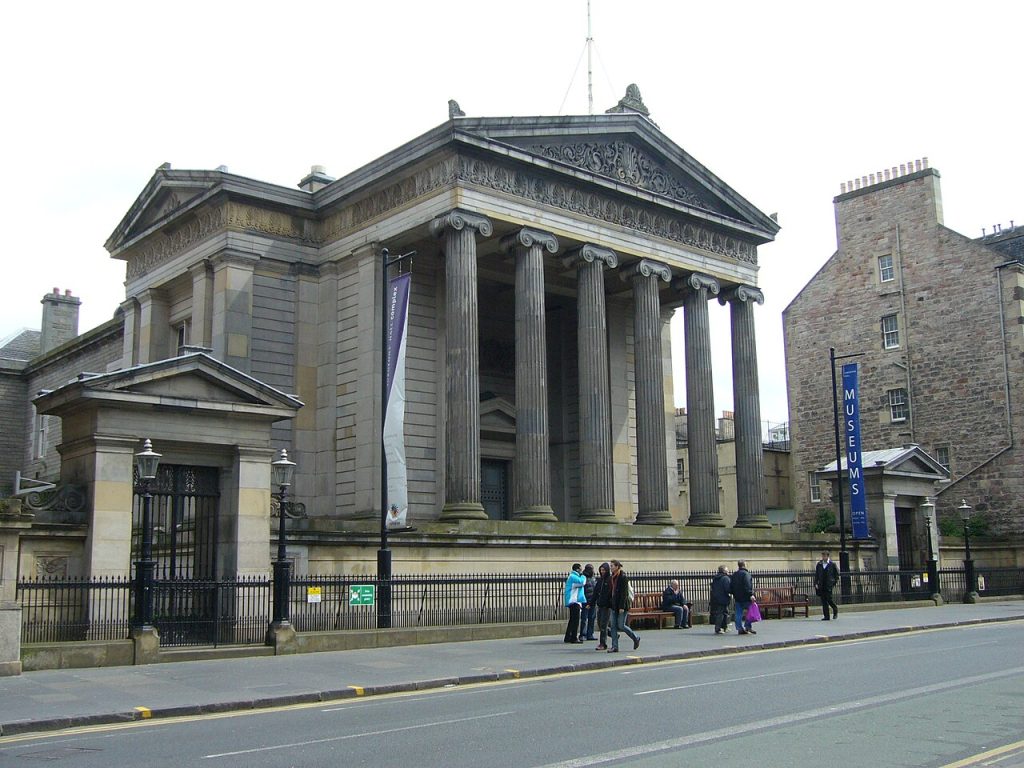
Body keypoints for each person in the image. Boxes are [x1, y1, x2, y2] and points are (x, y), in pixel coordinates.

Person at [608, 559, 640, 652]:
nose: (611, 567)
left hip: (622, 606)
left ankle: (635, 638)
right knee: (613, 626)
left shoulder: (623, 577)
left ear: (617, 567)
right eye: (610, 566)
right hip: (614, 605)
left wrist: (621, 607)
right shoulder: (612, 577)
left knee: (621, 625)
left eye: (612, 566)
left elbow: (624, 593)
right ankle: (615, 646)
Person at [730, 560, 756, 635]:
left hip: (737, 597)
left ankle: (739, 628)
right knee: (750, 612)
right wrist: (751, 594)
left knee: (738, 613)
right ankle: (748, 627)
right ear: (744, 565)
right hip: (746, 597)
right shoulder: (746, 574)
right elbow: (748, 585)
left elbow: (731, 586)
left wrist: (734, 593)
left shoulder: (734, 575)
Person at [563, 563, 586, 643]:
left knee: (572, 620)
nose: (582, 570)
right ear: (577, 569)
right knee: (575, 620)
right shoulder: (573, 577)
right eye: (581, 569)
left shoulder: (572, 576)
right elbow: (582, 582)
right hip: (574, 601)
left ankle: (568, 636)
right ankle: (573, 637)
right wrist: (583, 576)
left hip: (573, 601)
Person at [814, 550, 840, 620]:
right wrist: (816, 583)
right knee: (824, 601)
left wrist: (833, 583)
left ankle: (835, 609)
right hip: (821, 585)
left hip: (828, 585)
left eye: (824, 556)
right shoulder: (819, 564)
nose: (823, 557)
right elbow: (817, 575)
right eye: (822, 556)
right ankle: (826, 616)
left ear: (827, 556)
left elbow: (836, 575)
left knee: (829, 599)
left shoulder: (832, 564)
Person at [594, 562, 612, 651]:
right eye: (601, 570)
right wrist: (591, 603)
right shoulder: (600, 580)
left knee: (603, 625)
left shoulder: (610, 580)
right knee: (600, 624)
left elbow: (611, 593)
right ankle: (612, 633)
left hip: (606, 606)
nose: (602, 572)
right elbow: (595, 592)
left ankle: (603, 644)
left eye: (604, 570)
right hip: (600, 605)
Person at [709, 564, 732, 634]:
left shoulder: (715, 578)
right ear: (724, 571)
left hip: (715, 598)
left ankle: (724, 627)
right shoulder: (725, 578)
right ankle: (718, 628)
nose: (728, 571)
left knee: (725, 612)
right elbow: (728, 588)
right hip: (723, 598)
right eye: (727, 570)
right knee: (721, 614)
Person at [579, 563, 598, 641]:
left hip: (592, 601)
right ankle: (583, 634)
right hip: (585, 601)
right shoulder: (583, 578)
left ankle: (590, 634)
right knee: (584, 618)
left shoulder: (594, 578)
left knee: (592, 618)